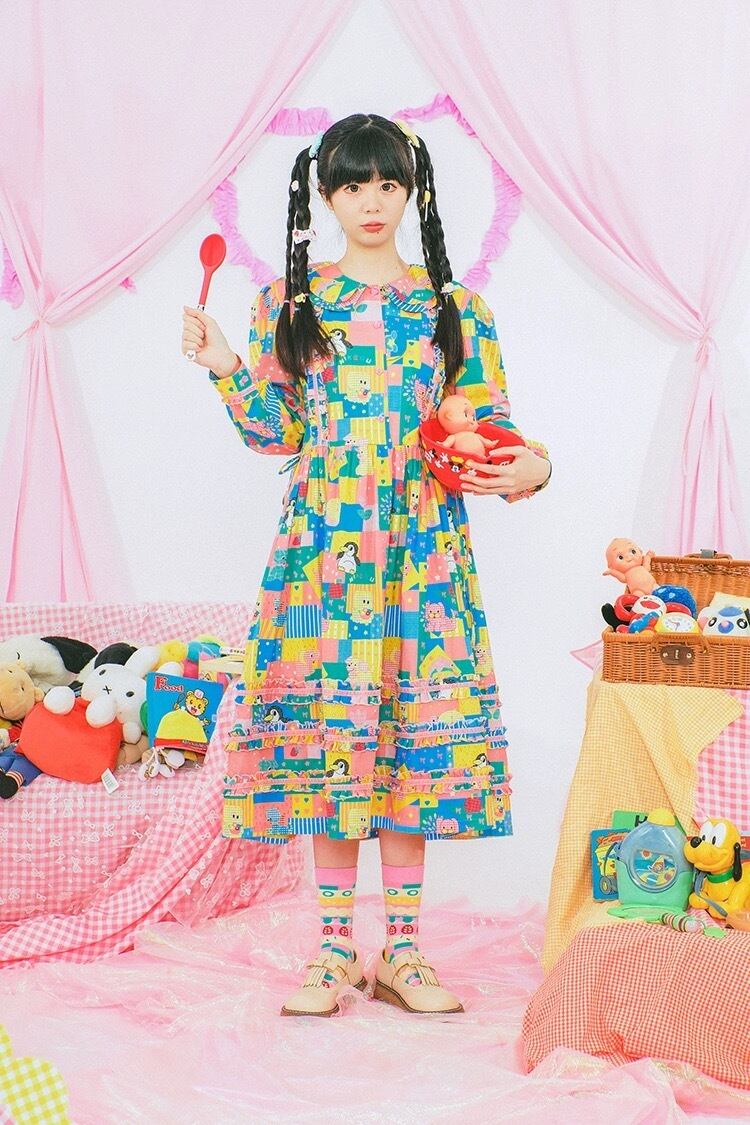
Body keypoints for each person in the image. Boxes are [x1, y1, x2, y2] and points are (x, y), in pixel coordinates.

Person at [181, 114, 551, 1020]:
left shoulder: (456, 310)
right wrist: (226, 365)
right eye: (352, 186)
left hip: (424, 554)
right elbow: (279, 432)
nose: (372, 202)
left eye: (388, 184)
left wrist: (533, 469)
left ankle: (406, 951)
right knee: (331, 737)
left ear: (411, 190)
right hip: (323, 559)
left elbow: (489, 426)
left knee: (413, 735)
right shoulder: (290, 306)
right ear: (325, 195)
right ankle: (336, 949)